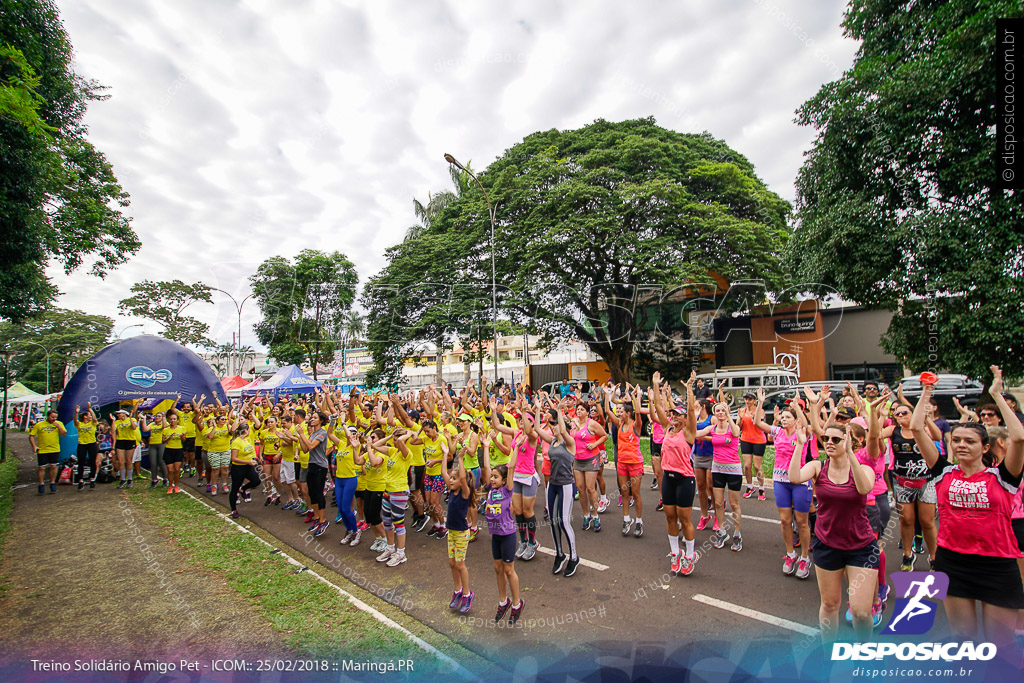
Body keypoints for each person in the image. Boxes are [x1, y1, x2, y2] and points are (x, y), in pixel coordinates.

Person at [910, 368, 1024, 653]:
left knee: (1002, 647)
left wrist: (996, 395)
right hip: (954, 562)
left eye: (970, 441)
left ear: (985, 447)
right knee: (965, 643)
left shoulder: (1003, 477)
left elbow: (1019, 438)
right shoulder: (943, 473)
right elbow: (915, 428)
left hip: (997, 565)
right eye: (957, 440)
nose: (961, 445)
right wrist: (926, 392)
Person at [789, 421, 878, 643]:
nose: (829, 443)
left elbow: (864, 489)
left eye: (836, 439)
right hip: (827, 543)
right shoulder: (819, 467)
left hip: (860, 546)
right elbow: (794, 477)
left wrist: (850, 455)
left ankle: (864, 650)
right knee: (829, 605)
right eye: (826, 439)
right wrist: (799, 445)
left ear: (848, 442)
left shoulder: (864, 468)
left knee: (861, 612)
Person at [754, 391, 813, 579]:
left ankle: (805, 557)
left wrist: (797, 408)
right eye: (783, 417)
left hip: (801, 480)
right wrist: (760, 403)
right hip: (781, 481)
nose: (784, 419)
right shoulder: (777, 431)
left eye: (789, 417)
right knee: (785, 520)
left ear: (796, 420)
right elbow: (758, 423)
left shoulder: (802, 432)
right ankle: (790, 554)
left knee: (802, 522)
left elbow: (804, 423)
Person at [883, 396, 941, 571]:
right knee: (906, 520)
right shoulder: (894, 430)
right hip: (902, 481)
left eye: (904, 413)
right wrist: (879, 416)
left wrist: (925, 418)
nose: (901, 416)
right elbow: (875, 434)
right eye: (897, 414)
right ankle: (908, 555)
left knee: (927, 521)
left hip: (925, 481)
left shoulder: (921, 429)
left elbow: (937, 436)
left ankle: (934, 557)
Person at [651, 371, 699, 575]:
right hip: (668, 479)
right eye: (673, 414)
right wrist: (655, 386)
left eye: (678, 414)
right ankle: (675, 552)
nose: (674, 416)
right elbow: (658, 409)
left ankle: (690, 554)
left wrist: (689, 388)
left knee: (685, 519)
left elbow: (690, 410)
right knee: (670, 518)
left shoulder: (689, 432)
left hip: (685, 480)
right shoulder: (666, 428)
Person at [480, 410, 525, 625]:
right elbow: (487, 469)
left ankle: (517, 603)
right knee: (497, 568)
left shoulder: (507, 489)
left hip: (507, 534)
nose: (493, 479)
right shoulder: (490, 489)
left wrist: (516, 447)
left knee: (509, 569)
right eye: (493, 478)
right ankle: (502, 600)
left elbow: (512, 466)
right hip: (495, 535)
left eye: (497, 477)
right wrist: (486, 447)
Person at [491, 398, 542, 559]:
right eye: (520, 420)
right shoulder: (516, 433)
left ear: (532, 424)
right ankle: (524, 541)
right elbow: (497, 426)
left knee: (528, 511)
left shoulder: (533, 437)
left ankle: (533, 543)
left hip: (528, 477)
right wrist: (493, 410)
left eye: (525, 421)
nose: (521, 422)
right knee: (518, 511)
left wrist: (526, 412)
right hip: (516, 476)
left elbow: (530, 430)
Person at [537, 398, 580, 576]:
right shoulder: (553, 441)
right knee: (553, 522)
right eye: (552, 425)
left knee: (563, 521)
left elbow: (562, 429)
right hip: (552, 485)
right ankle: (560, 554)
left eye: (555, 425)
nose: (553, 427)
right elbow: (538, 430)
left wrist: (559, 410)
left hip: (565, 485)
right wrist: (538, 410)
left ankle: (574, 557)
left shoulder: (569, 443)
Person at [698, 401, 743, 551]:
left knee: (734, 503)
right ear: (714, 413)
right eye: (717, 411)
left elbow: (736, 433)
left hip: (733, 470)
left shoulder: (732, 427)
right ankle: (722, 531)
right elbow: (695, 434)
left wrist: (729, 415)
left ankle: (737, 533)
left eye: (723, 410)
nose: (720, 413)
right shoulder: (712, 428)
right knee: (718, 503)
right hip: (717, 469)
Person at [603, 384, 644, 537]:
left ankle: (639, 521)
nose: (618, 414)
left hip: (635, 463)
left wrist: (635, 395)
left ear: (628, 413)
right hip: (622, 463)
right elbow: (607, 410)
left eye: (622, 412)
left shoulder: (636, 425)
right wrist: (607, 394)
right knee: (624, 492)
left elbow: (638, 412)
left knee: (637, 494)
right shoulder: (619, 424)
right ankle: (627, 519)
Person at [442, 444, 476, 614]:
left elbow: (462, 478)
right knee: (451, 563)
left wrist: (460, 458)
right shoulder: (451, 492)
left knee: (460, 565)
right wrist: (445, 454)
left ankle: (467, 594)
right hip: (452, 532)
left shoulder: (464, 494)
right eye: (451, 478)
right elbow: (443, 474)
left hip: (462, 534)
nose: (451, 480)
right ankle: (457, 591)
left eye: (453, 479)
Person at [571, 400, 608, 532]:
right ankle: (586, 515)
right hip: (577, 459)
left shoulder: (592, 424)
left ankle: (596, 514)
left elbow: (604, 436)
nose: (579, 411)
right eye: (577, 409)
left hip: (591, 458)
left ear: (587, 412)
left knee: (590, 488)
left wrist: (594, 444)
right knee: (581, 489)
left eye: (582, 409)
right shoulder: (574, 423)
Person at [294, 411, 332, 536]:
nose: (312, 420)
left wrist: (301, 434)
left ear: (321, 420)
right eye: (312, 418)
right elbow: (304, 449)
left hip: (320, 466)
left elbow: (310, 446)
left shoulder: (322, 433)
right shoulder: (313, 434)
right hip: (311, 464)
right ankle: (316, 517)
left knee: (318, 492)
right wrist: (300, 437)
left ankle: (323, 520)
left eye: (315, 418)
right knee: (312, 493)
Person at [228, 423, 262, 520]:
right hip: (238, 468)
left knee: (256, 481)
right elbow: (233, 458)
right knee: (234, 488)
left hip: (249, 466)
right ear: (245, 431)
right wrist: (247, 461)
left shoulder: (246, 440)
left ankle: (243, 489)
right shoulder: (236, 442)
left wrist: (254, 460)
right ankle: (233, 509)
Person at [29, 409, 66, 494]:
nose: (54, 419)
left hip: (54, 448)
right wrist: (34, 446)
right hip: (42, 449)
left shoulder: (59, 423)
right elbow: (31, 436)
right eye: (52, 417)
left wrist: (59, 427)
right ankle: (41, 483)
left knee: (53, 466)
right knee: (42, 467)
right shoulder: (39, 425)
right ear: (48, 416)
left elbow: (64, 434)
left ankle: (52, 482)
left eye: (55, 417)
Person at [738, 393, 767, 500]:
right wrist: (740, 418)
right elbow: (738, 426)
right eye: (746, 399)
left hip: (758, 440)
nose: (747, 401)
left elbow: (760, 424)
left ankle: (761, 488)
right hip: (745, 439)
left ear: (755, 401)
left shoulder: (760, 411)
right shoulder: (742, 410)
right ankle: (750, 486)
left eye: (750, 399)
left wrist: (755, 416)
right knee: (747, 466)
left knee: (757, 466)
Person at [73, 404, 100, 490]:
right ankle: (80, 480)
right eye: (89, 416)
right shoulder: (80, 424)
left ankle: (92, 479)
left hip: (92, 444)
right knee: (81, 462)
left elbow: (95, 418)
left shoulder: (93, 423)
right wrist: (76, 413)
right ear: (85, 417)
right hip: (82, 444)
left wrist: (90, 409)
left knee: (93, 462)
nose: (91, 417)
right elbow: (75, 421)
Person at [111, 408, 138, 489]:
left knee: (129, 461)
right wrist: (113, 421)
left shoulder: (132, 419)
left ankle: (129, 479)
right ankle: (123, 479)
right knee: (121, 461)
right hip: (120, 441)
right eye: (117, 414)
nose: (118, 415)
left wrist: (130, 418)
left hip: (130, 441)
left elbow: (134, 428)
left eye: (119, 413)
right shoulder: (117, 422)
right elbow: (113, 431)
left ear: (124, 413)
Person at [161, 412, 187, 493]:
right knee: (170, 469)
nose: (172, 421)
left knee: (176, 469)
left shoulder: (182, 428)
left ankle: (176, 485)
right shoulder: (166, 429)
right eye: (171, 419)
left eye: (174, 419)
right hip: (169, 450)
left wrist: (182, 437)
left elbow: (184, 440)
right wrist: (170, 437)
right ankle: (170, 486)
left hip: (178, 449)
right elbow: (163, 441)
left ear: (177, 420)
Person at [146, 411, 168, 489]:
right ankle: (154, 479)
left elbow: (165, 426)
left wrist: (164, 417)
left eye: (159, 416)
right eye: (156, 416)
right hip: (152, 444)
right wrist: (142, 419)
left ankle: (165, 478)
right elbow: (145, 429)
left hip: (161, 443)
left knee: (161, 461)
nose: (157, 417)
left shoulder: (164, 423)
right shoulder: (152, 424)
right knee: (153, 463)